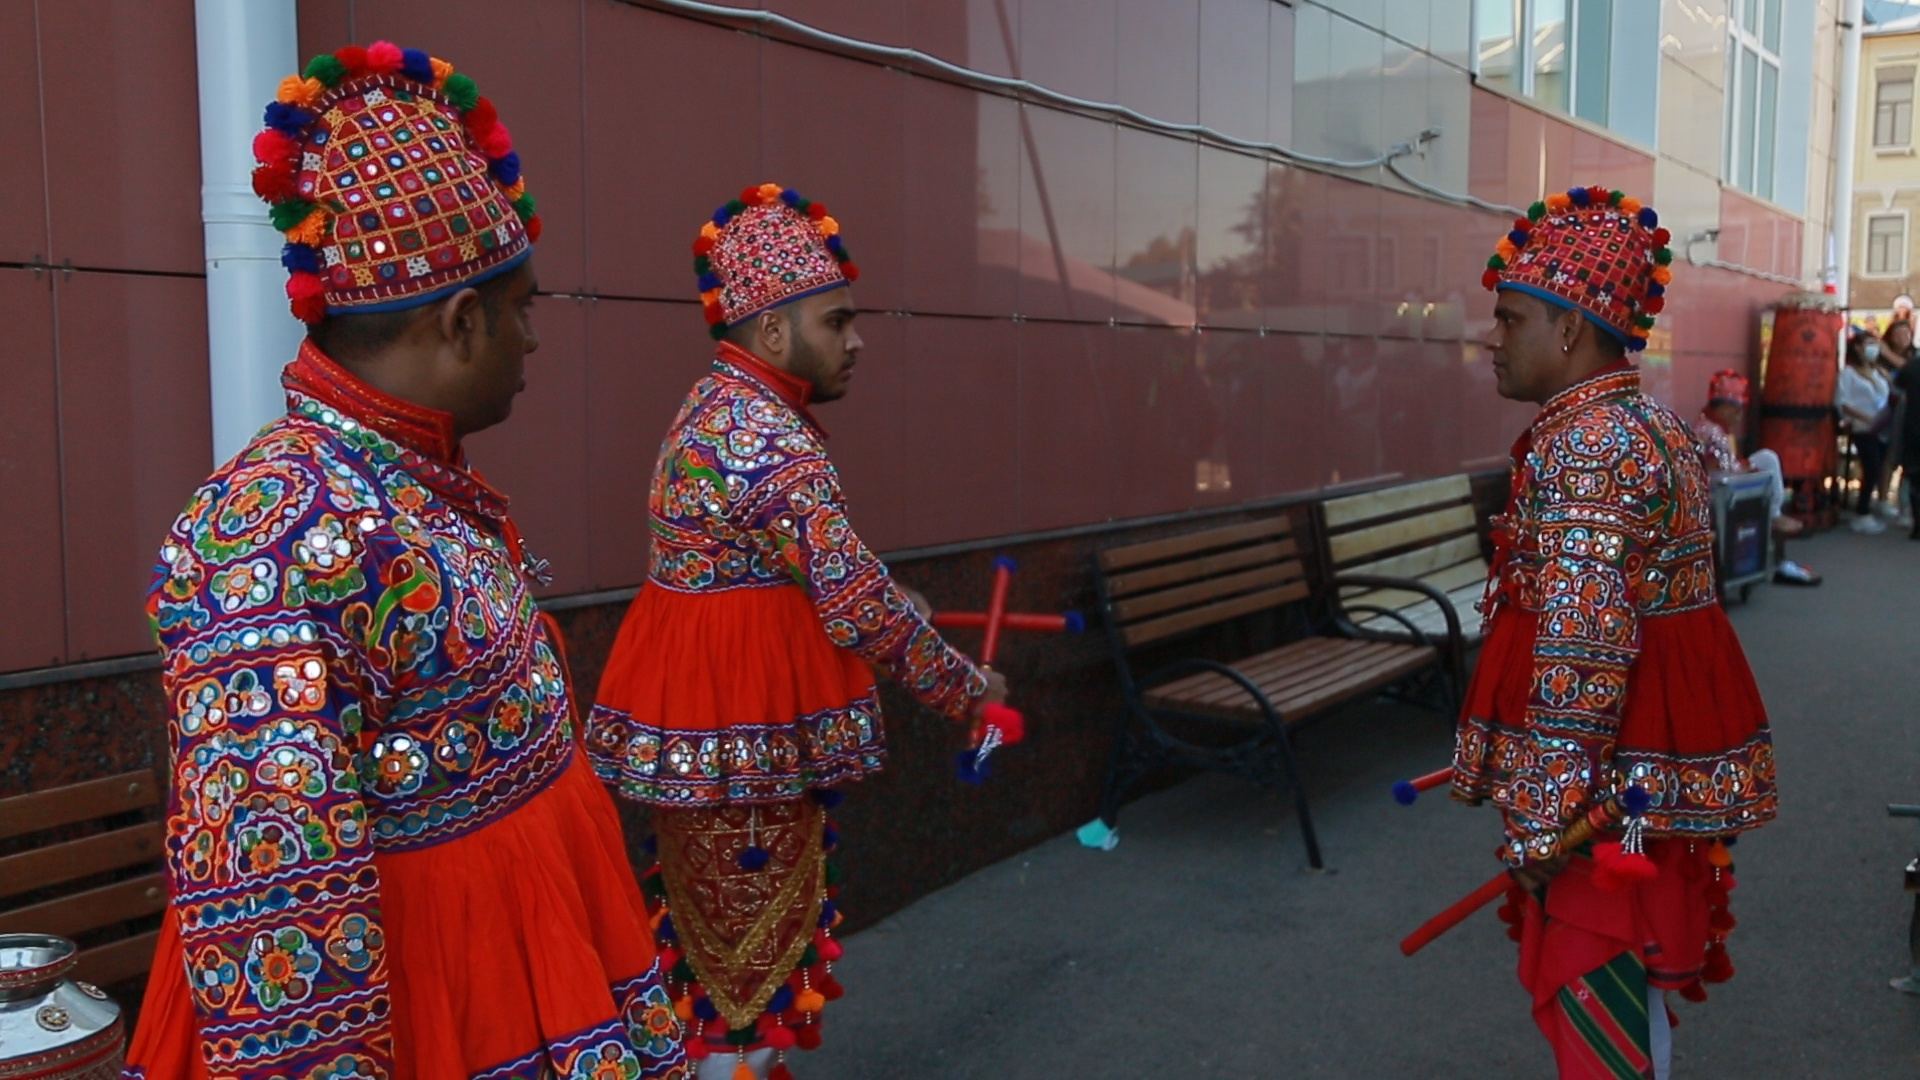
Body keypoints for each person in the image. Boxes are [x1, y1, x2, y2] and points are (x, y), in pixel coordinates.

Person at [125, 43, 688, 1078]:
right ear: (462, 320)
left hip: (517, 979)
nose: (534, 340)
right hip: (439, 1021)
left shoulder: (406, 483)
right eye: (524, 311)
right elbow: (272, 916)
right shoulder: (272, 528)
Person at [584, 183, 1011, 1080]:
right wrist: (968, 689)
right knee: (748, 970)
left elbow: (807, 571)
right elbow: (851, 600)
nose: (858, 341)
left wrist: (892, 598)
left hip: (706, 732)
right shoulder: (772, 439)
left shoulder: (715, 410)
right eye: (837, 320)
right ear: (774, 332)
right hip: (744, 740)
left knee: (718, 957)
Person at [1456, 185, 1778, 1078]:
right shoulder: (1651, 424)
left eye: (1510, 318)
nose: (1494, 338)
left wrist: (1545, 829)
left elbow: (1585, 648)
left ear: (1567, 331)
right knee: (1624, 986)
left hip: (1602, 768)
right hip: (1642, 755)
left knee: (1597, 979)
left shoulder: (1588, 444)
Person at [1692, 369, 1820, 585]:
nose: (1739, 415)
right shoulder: (1711, 431)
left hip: (1719, 486)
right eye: (1736, 409)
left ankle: (1774, 515)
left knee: (1768, 460)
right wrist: (1751, 471)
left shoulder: (1711, 425)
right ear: (1724, 407)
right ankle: (1774, 519)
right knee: (1766, 468)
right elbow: (1727, 472)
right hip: (1716, 494)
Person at [1836, 327, 1893, 532]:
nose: (1873, 349)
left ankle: (1869, 506)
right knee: (1871, 467)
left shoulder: (1878, 372)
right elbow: (1842, 402)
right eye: (1868, 344)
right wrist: (1866, 417)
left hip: (1882, 427)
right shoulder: (1848, 373)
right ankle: (1862, 511)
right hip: (1863, 427)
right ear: (1858, 348)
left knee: (1879, 468)